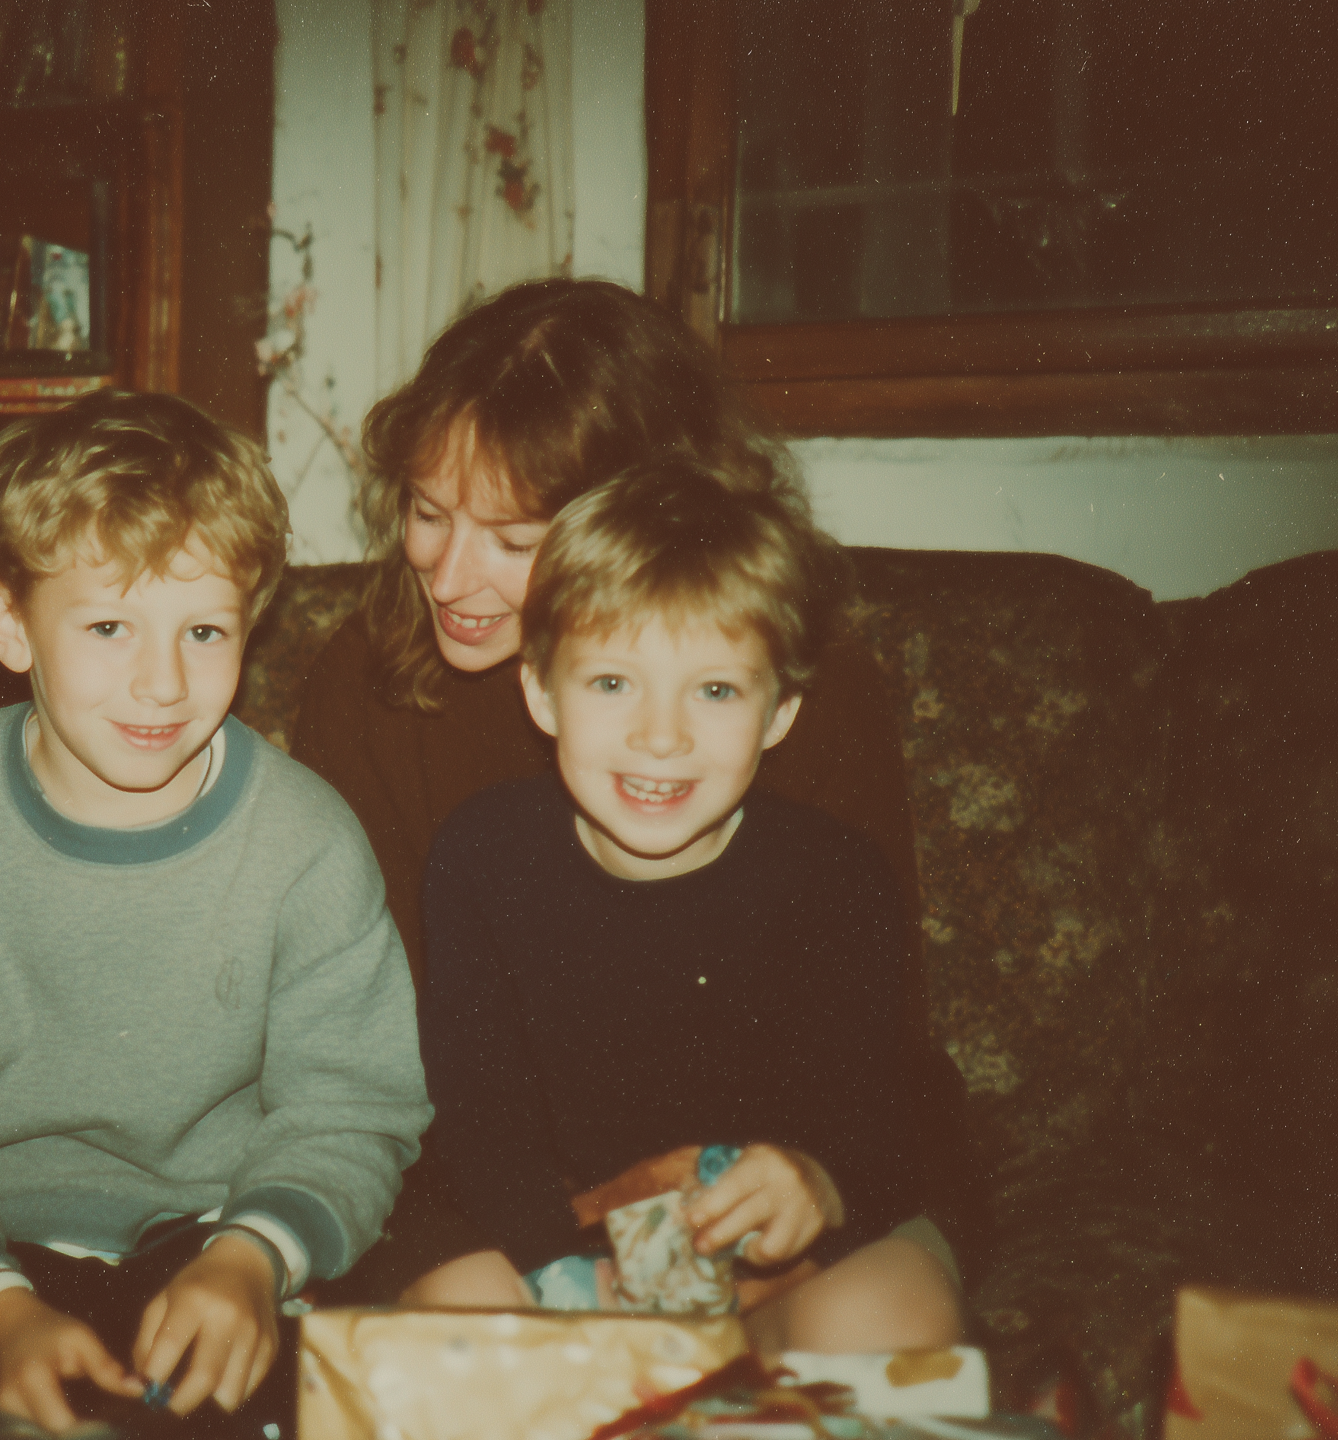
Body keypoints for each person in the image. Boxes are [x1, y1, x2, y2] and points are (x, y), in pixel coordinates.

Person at [291, 278, 975, 1303]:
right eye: (428, 514)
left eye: (516, 542)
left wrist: (767, 1197)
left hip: (769, 1166)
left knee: (864, 1320)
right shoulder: (368, 680)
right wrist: (569, 1239)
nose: (447, 574)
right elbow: (399, 1048)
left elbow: (867, 1038)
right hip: (496, 1174)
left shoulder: (800, 685)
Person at [0, 390, 432, 1436]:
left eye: (204, 628)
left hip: (221, 1247)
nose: (162, 681)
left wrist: (254, 1258)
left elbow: (351, 1110)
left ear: (250, 623)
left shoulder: (308, 842)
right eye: (110, 624)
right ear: (9, 624)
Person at [416, 458, 966, 1355]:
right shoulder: (482, 855)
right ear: (539, 692)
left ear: (780, 711)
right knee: (454, 1323)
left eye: (714, 691)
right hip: (569, 1242)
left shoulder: (836, 877)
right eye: (611, 684)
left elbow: (876, 1123)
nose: (661, 736)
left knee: (889, 1317)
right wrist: (561, 1277)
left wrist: (820, 1188)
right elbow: (480, 1119)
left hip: (795, 1241)